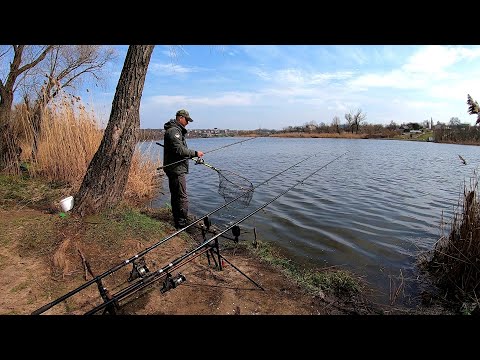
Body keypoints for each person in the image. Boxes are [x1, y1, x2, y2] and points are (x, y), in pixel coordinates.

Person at [163, 109, 204, 229]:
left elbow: (177, 151)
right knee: (181, 196)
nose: (187, 122)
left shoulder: (175, 130)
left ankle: (178, 220)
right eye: (186, 120)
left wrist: (189, 155)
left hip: (175, 167)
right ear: (180, 118)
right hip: (176, 169)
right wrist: (195, 153)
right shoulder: (174, 131)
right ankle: (182, 224)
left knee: (176, 195)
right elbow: (179, 150)